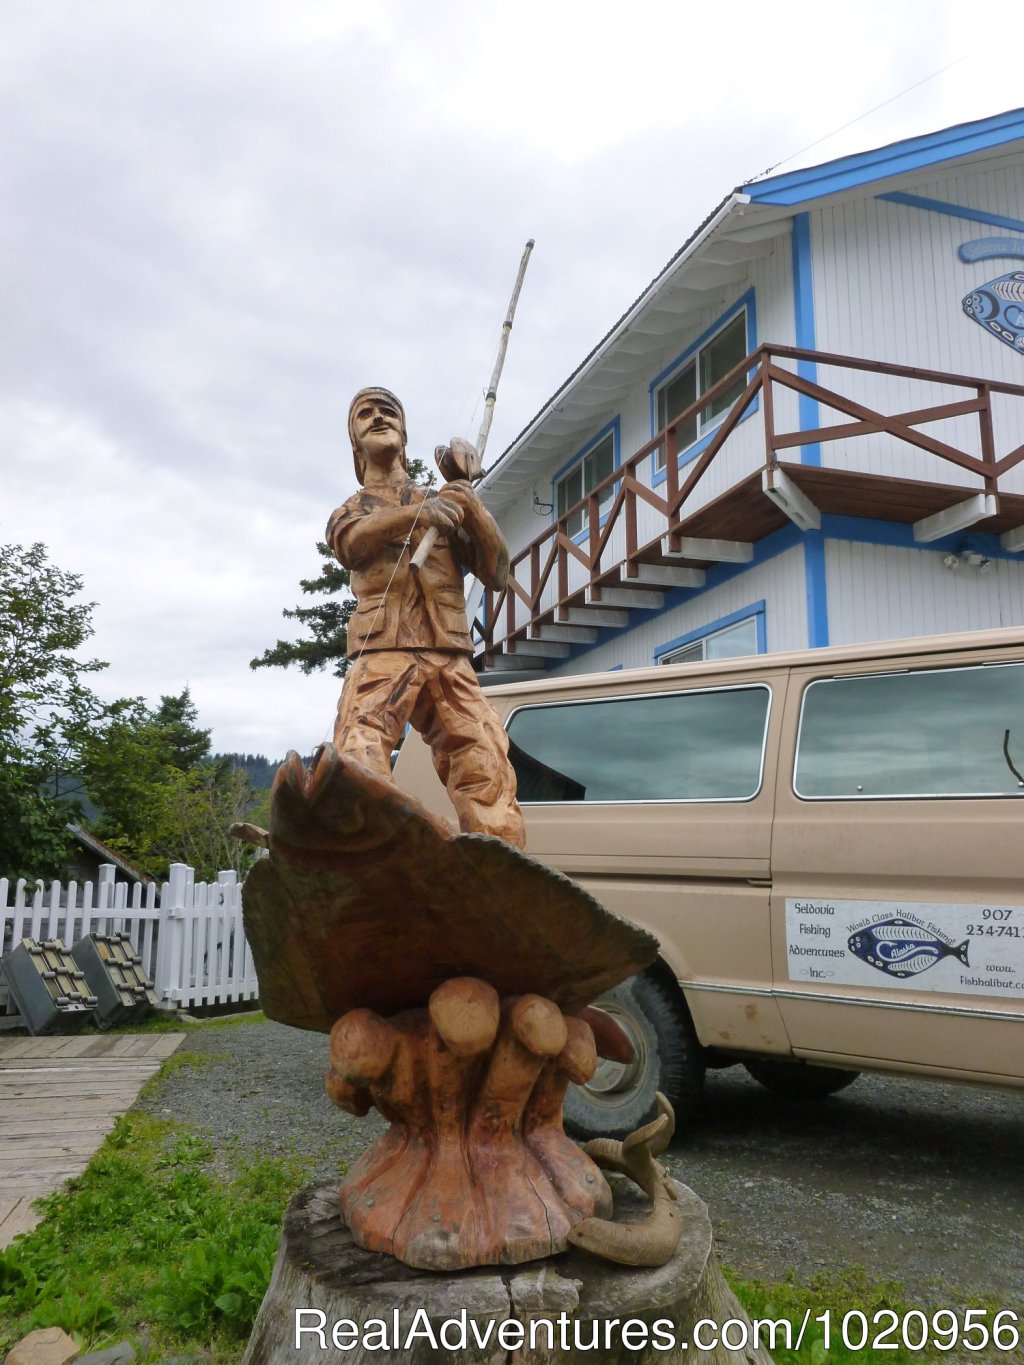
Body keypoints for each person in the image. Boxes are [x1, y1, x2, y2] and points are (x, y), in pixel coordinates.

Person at [327, 387, 526, 848]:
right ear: (354, 440)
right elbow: (351, 545)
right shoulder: (353, 509)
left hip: (448, 651)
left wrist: (469, 503)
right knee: (360, 751)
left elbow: (497, 572)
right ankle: (369, 850)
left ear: (404, 430)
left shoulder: (448, 506)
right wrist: (418, 513)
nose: (378, 418)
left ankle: (500, 860)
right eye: (365, 414)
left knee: (485, 760)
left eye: (388, 412)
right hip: (382, 649)